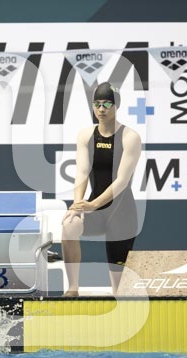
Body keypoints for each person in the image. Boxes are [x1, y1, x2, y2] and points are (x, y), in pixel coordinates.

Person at [61, 82, 141, 297]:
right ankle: (72, 288)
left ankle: (119, 298)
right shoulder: (86, 135)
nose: (101, 109)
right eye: (97, 104)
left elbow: (122, 181)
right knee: (69, 225)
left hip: (121, 212)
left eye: (106, 104)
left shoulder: (130, 137)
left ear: (116, 106)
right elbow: (82, 171)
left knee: (119, 291)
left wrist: (93, 204)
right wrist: (78, 205)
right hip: (95, 209)